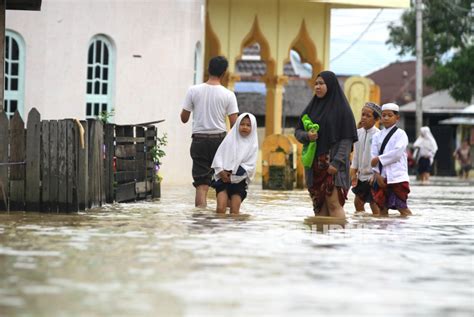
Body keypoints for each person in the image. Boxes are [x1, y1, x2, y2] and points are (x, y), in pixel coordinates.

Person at [295, 71, 358, 218]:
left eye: (321, 84)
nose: (317, 87)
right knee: (319, 207)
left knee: (333, 204)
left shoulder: (342, 110)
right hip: (314, 166)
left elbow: (346, 140)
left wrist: (335, 164)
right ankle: (321, 240)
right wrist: (307, 136)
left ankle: (337, 239)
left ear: (330, 85)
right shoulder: (311, 108)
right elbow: (297, 131)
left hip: (333, 167)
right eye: (316, 84)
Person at [180, 56, 239, 207]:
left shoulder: (193, 91)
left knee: (201, 185)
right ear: (224, 73)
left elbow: (184, 118)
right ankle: (221, 219)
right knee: (222, 181)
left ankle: (200, 220)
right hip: (220, 141)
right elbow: (234, 125)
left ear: (208, 69)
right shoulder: (229, 95)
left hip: (199, 140)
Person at [211, 113, 258, 214]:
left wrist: (232, 177)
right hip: (222, 179)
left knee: (234, 212)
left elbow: (249, 167)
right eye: (242, 124)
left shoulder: (253, 146)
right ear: (237, 125)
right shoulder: (229, 140)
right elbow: (218, 157)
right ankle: (219, 229)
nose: (245, 127)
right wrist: (221, 172)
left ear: (253, 127)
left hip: (239, 182)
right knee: (220, 209)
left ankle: (233, 230)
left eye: (248, 125)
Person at [370, 103, 412, 217]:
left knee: (402, 208)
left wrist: (379, 158)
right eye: (384, 115)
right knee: (382, 208)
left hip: (397, 177)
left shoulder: (401, 134)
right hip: (381, 177)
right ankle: (384, 233)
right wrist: (377, 174)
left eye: (390, 115)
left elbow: (397, 153)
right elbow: (372, 155)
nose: (386, 118)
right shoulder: (377, 136)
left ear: (397, 118)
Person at [351, 102, 381, 215]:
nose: (364, 118)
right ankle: (363, 227)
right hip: (361, 176)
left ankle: (376, 230)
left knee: (375, 205)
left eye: (368, 116)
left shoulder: (379, 135)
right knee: (358, 203)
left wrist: (376, 174)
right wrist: (353, 172)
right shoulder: (357, 133)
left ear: (376, 119)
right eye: (363, 114)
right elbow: (356, 155)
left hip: (373, 177)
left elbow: (380, 158)